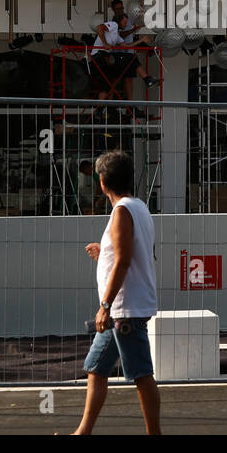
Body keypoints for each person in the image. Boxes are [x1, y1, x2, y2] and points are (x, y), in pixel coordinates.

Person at [71, 150, 160, 435]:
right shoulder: (139, 207)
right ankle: (83, 432)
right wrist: (104, 252)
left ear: (102, 182)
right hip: (123, 311)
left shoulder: (122, 211)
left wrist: (105, 305)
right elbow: (128, 253)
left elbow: (123, 260)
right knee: (96, 368)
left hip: (123, 311)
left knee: (142, 375)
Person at [91, 0, 158, 100]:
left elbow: (126, 46)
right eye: (125, 22)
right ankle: (147, 79)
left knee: (106, 87)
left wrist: (141, 40)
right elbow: (99, 27)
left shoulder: (117, 34)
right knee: (130, 59)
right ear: (120, 20)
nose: (126, 24)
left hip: (105, 59)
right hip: (100, 57)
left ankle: (101, 112)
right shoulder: (113, 25)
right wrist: (104, 43)